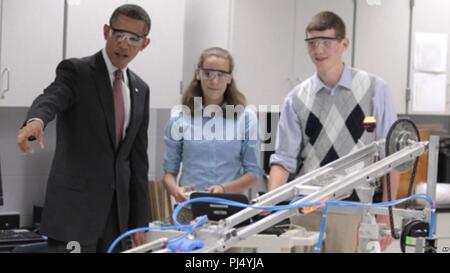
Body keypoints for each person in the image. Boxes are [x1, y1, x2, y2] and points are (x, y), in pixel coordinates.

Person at [16, 4, 151, 253]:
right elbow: (51, 98)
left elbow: (137, 163)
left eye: (133, 38)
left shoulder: (140, 89)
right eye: (118, 34)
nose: (124, 44)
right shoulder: (77, 72)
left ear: (145, 44)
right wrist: (36, 120)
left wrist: (140, 221)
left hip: (117, 222)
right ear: (106, 32)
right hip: (74, 218)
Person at [267, 11, 399, 252]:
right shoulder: (295, 99)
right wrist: (270, 203)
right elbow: (283, 160)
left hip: (354, 210)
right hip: (306, 208)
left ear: (344, 44)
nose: (318, 50)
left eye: (326, 42)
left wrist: (385, 215)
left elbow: (391, 158)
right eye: (312, 43)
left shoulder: (375, 89)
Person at [162, 47, 260, 219]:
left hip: (230, 209)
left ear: (229, 78)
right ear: (198, 74)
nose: (214, 80)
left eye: (221, 74)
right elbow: (169, 173)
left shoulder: (246, 118)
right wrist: (175, 190)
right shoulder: (180, 118)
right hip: (189, 210)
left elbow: (253, 175)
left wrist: (223, 189)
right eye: (208, 73)